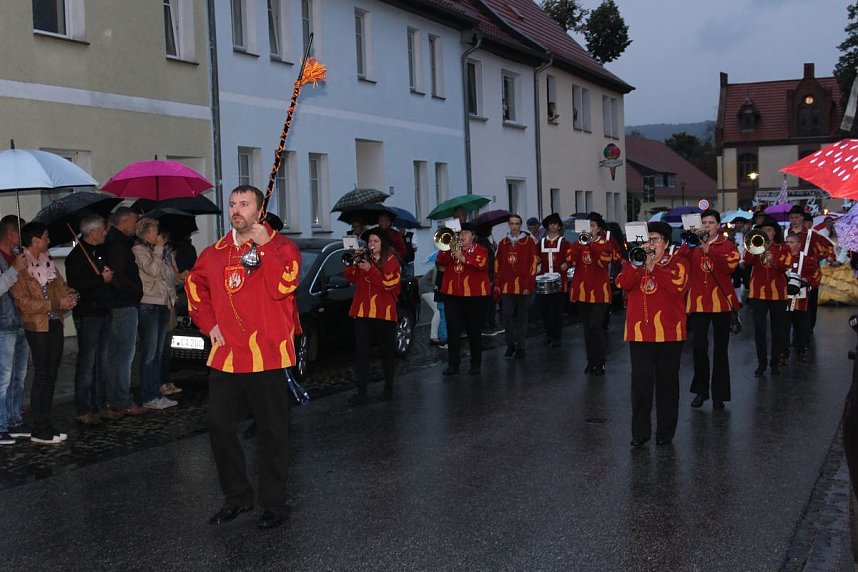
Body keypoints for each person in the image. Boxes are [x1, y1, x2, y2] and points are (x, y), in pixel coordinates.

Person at [186, 184, 300, 529]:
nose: (236, 209)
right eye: (233, 204)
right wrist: (209, 324)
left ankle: (275, 503)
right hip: (227, 356)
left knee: (272, 432)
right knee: (220, 427)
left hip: (268, 355)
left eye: (245, 204)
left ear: (259, 210)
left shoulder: (282, 247)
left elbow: (283, 286)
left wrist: (265, 245)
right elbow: (195, 286)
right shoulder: (215, 252)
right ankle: (237, 497)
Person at [616, 221, 689, 447]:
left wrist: (654, 267)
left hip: (669, 334)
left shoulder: (678, 263)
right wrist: (639, 265)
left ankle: (665, 433)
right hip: (640, 335)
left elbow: (678, 285)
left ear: (666, 243)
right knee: (641, 386)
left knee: (667, 385)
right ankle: (640, 433)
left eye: (656, 240)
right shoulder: (634, 261)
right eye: (648, 239)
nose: (650, 244)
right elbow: (622, 283)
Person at [10, 222, 78, 444]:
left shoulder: (48, 262)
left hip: (55, 322)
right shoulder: (20, 267)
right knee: (42, 375)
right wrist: (56, 303)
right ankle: (39, 427)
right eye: (46, 237)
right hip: (37, 325)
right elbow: (24, 303)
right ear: (35, 240)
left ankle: (46, 423)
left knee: (51, 374)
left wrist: (71, 296)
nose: (49, 241)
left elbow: (61, 286)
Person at [676, 209, 740, 410]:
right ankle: (701, 391)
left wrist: (708, 250)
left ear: (718, 226)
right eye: (704, 222)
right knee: (699, 346)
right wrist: (691, 242)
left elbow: (729, 267)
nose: (707, 226)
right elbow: (679, 260)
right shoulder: (692, 244)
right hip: (698, 303)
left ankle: (719, 394)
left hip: (721, 302)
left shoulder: (728, 246)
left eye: (711, 222)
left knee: (720, 350)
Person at [65, 215, 115, 425]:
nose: (105, 232)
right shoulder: (76, 256)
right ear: (93, 232)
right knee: (87, 363)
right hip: (88, 314)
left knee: (101, 362)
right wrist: (99, 279)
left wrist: (106, 276)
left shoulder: (99, 251)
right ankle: (83, 408)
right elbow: (77, 284)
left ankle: (100, 405)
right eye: (103, 229)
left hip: (103, 311)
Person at [343, 228, 401, 404]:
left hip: (384, 312)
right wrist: (354, 262)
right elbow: (351, 278)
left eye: (375, 241)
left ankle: (388, 389)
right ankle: (362, 392)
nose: (372, 245)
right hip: (363, 311)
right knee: (361, 352)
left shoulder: (391, 260)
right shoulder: (365, 258)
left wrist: (370, 269)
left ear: (382, 243)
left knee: (386, 352)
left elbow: (388, 284)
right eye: (370, 242)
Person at [103, 207, 148, 415]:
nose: (136, 226)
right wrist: (136, 291)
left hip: (120, 303)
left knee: (116, 355)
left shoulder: (117, 242)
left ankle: (115, 397)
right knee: (123, 355)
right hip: (123, 304)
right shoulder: (118, 245)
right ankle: (121, 399)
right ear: (123, 222)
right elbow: (119, 277)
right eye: (134, 221)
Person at [133, 218, 179, 410]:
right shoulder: (138, 250)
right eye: (154, 232)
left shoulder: (155, 250)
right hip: (149, 305)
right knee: (150, 354)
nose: (158, 236)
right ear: (145, 233)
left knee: (158, 353)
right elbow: (152, 270)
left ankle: (156, 392)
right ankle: (148, 395)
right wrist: (159, 250)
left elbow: (167, 276)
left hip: (162, 304)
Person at [567, 212, 620, 375]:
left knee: (596, 326)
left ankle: (600, 361)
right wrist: (581, 245)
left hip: (599, 292)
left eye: (593, 226)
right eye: (588, 226)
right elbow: (570, 259)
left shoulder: (605, 244)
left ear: (598, 229)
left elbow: (604, 261)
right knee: (587, 329)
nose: (590, 229)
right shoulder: (577, 244)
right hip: (582, 291)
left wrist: (590, 245)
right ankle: (591, 361)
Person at [437, 222, 490, 375]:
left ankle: (475, 363)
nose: (462, 235)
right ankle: (453, 364)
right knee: (453, 330)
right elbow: (441, 261)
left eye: (466, 233)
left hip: (474, 296)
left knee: (473, 330)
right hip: (453, 295)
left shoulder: (481, 250)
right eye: (460, 233)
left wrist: (463, 257)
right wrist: (448, 248)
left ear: (473, 236)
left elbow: (481, 264)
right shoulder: (451, 248)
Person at [742, 215, 792, 376]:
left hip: (778, 294)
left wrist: (774, 260)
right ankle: (761, 363)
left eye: (769, 230)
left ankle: (775, 362)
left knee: (778, 329)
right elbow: (747, 261)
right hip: (758, 293)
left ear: (775, 232)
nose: (766, 233)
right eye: (763, 230)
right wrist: (755, 249)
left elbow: (785, 266)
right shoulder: (756, 243)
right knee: (759, 329)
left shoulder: (783, 248)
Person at [0, 217, 30, 443]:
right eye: (20, 233)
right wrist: (12, 271)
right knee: (3, 377)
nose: (22, 239)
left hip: (21, 322)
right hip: (4, 325)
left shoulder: (18, 256)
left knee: (18, 377)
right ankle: (1, 423)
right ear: (10, 234)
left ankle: (14, 418)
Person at [494, 214, 539, 358]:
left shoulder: (529, 242)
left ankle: (521, 346)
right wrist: (498, 284)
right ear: (509, 225)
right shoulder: (503, 243)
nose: (514, 227)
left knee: (522, 317)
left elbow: (533, 264)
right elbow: (497, 265)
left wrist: (528, 284)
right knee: (507, 315)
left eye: (517, 224)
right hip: (507, 286)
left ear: (520, 225)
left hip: (522, 286)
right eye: (512, 224)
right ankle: (510, 345)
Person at [783, 232, 821, 361]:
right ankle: (784, 351)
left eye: (792, 242)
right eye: (787, 242)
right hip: (785, 297)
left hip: (801, 298)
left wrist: (807, 279)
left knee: (800, 323)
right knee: (785, 324)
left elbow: (817, 272)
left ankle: (801, 347)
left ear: (799, 245)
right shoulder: (782, 258)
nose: (788, 245)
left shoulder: (805, 259)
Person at [537, 213, 571, 348]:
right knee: (545, 310)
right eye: (550, 224)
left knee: (557, 311)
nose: (552, 226)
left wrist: (566, 264)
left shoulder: (564, 243)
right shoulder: (541, 243)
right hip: (544, 281)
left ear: (559, 227)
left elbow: (570, 257)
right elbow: (535, 257)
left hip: (559, 282)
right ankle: (548, 333)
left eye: (555, 224)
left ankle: (557, 336)